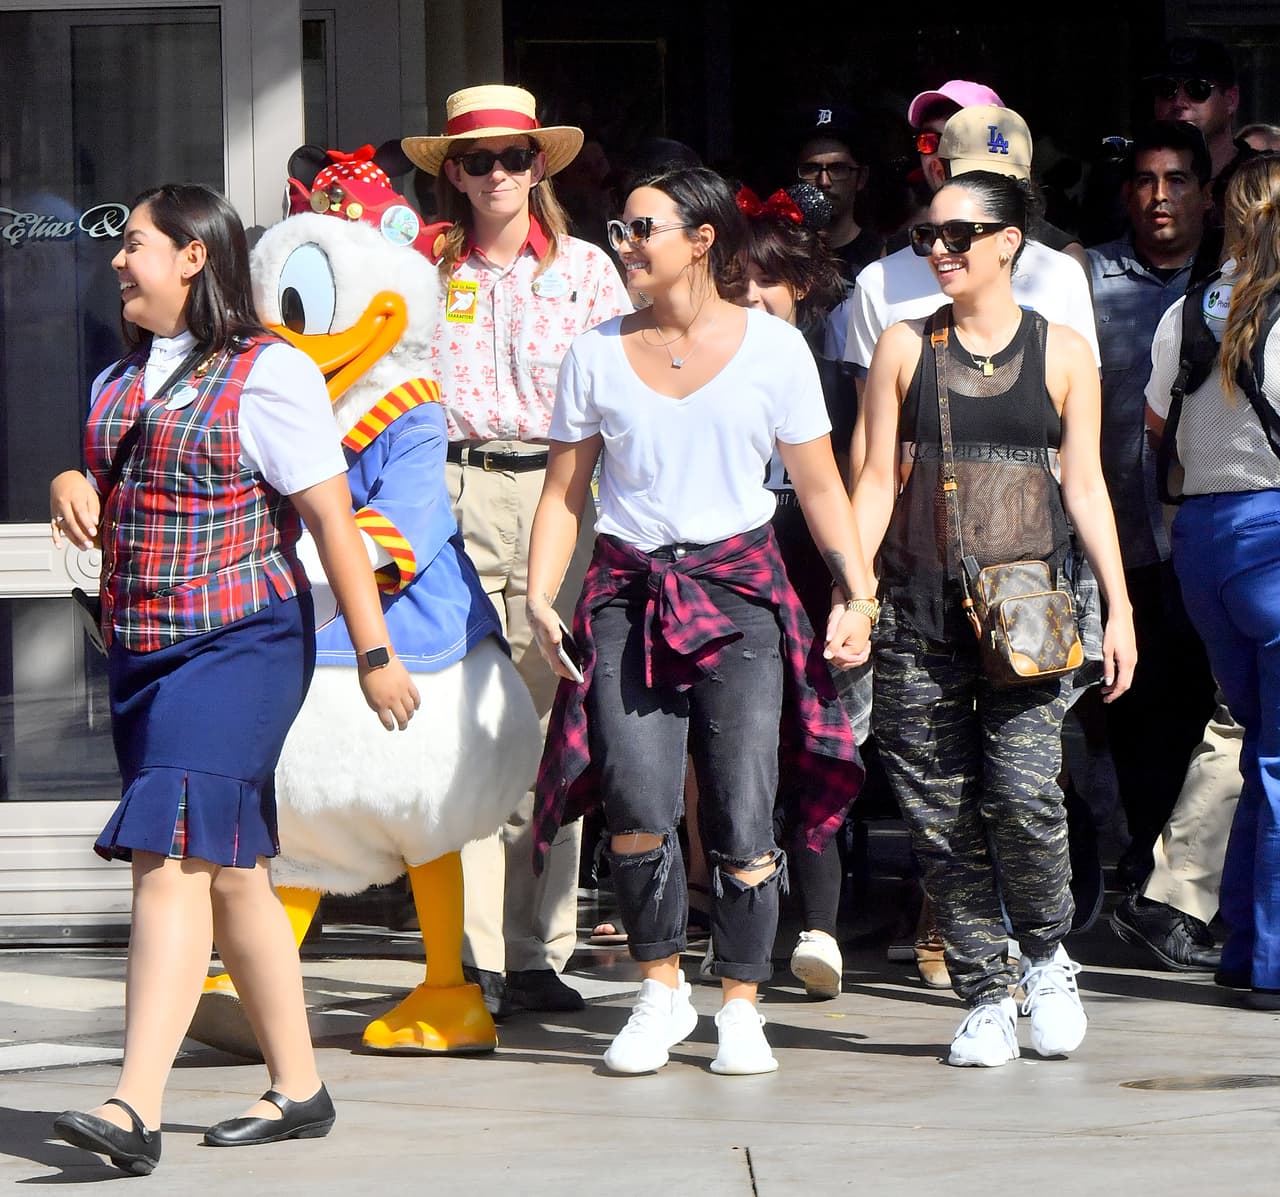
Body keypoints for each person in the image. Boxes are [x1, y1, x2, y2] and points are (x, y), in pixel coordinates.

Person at [47, 183, 420, 1173]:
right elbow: (105, 475)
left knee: (168, 855)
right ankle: (299, 1086)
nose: (119, 261)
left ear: (194, 257)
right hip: (145, 647)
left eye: (135, 245)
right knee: (237, 871)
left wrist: (376, 653)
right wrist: (69, 483)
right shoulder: (116, 381)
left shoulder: (269, 373)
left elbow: (333, 520)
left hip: (241, 642)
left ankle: (135, 1105)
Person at [528, 165, 873, 1075]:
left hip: (740, 592)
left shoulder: (773, 349)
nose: (626, 246)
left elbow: (821, 483)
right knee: (637, 802)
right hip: (627, 591)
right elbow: (566, 491)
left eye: (643, 229)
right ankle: (659, 989)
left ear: (703, 239)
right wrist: (538, 592)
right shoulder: (595, 350)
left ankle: (743, 1002)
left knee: (741, 803)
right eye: (621, 230)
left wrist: (856, 590)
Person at [852, 170, 1136, 1067]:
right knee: (939, 813)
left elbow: (1086, 485)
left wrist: (1119, 607)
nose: (939, 250)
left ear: (1010, 240)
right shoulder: (903, 346)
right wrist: (852, 592)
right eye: (927, 235)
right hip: (917, 605)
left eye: (959, 235)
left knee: (1023, 794)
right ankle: (982, 986)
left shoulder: (1063, 353)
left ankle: (1046, 954)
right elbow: (871, 481)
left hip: (1033, 614)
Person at [400, 85, 630, 1018]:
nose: (497, 173)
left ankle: (538, 949)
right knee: (460, 725)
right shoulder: (420, 268)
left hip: (556, 492)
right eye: (477, 159)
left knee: (545, 728)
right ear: (451, 172)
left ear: (542, 166)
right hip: (445, 488)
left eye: (514, 157)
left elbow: (623, 394)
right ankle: (470, 953)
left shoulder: (587, 272)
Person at [1144, 154, 1280, 1010]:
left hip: (1203, 545)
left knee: (1261, 739)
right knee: (1275, 755)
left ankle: (1238, 942)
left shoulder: (1185, 310)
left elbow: (1156, 426)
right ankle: (1269, 956)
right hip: (1273, 534)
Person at [736, 182, 862, 998]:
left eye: (764, 290)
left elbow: (851, 487)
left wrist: (859, 589)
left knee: (823, 748)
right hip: (738, 584)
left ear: (801, 289)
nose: (750, 305)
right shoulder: (710, 372)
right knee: (744, 760)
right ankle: (740, 927)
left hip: (820, 588)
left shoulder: (835, 379)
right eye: (735, 292)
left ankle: (820, 929)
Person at [1085, 121, 1217, 889]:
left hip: (1210, 533)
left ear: (1206, 191)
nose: (1159, 196)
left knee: (1212, 710)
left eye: (1176, 181)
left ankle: (1192, 876)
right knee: (1133, 707)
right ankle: (1141, 857)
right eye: (1144, 180)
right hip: (1123, 534)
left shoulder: (1238, 277)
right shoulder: (1090, 276)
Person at [793, 104, 883, 286]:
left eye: (838, 168)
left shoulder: (881, 259)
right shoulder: (783, 255)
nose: (824, 181)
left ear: (861, 178)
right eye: (811, 168)